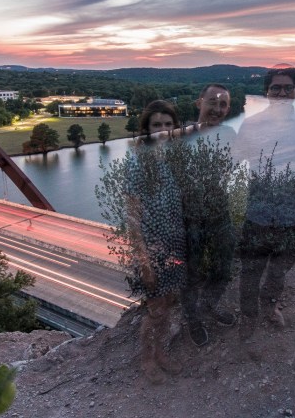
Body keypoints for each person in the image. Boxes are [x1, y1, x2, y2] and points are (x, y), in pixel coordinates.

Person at [232, 65, 295, 341]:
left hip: (292, 213)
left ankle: (269, 306)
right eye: (275, 87)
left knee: (280, 269)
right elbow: (233, 158)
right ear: (266, 92)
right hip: (258, 213)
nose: (282, 92)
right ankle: (248, 317)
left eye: (288, 87)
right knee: (251, 269)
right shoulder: (252, 123)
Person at [125, 100, 186, 383]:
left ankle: (161, 352)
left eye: (168, 124)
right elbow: (132, 216)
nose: (163, 130)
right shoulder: (138, 162)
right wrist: (144, 259)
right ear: (146, 130)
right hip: (152, 248)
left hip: (176, 244)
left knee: (170, 302)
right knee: (156, 308)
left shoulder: (175, 159)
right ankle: (146, 359)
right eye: (156, 125)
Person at [175, 85, 238, 346]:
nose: (218, 109)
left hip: (219, 210)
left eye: (224, 105)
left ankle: (209, 305)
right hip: (189, 215)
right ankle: (193, 318)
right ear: (198, 102)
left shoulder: (230, 134)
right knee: (191, 272)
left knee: (224, 264)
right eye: (213, 102)